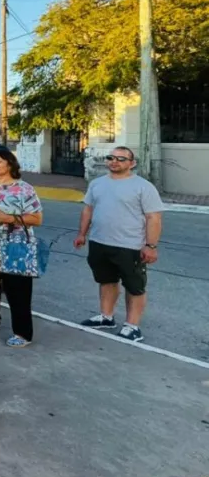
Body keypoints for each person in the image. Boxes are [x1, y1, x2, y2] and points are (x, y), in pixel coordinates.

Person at [74, 146, 164, 342]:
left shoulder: (143, 187)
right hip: (99, 242)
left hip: (130, 246)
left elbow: (153, 218)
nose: (114, 162)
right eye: (111, 157)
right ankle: (106, 317)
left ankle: (132, 326)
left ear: (131, 163)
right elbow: (88, 210)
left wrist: (151, 246)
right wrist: (82, 234)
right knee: (106, 280)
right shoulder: (97, 184)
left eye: (121, 159)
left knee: (135, 286)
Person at [0, 147, 44, 347]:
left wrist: (7, 218)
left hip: (15, 245)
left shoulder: (23, 188)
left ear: (10, 163)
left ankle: (22, 332)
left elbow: (37, 218)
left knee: (17, 290)